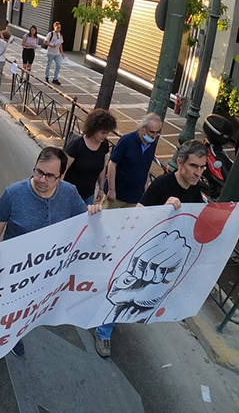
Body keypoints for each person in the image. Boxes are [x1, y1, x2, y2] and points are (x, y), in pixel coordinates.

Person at [92, 139, 212, 358]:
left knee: (138, 298)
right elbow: (139, 215)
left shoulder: (195, 190)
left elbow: (205, 218)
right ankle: (103, 333)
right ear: (180, 163)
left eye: (202, 167)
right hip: (144, 255)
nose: (198, 172)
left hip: (165, 259)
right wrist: (163, 209)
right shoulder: (163, 185)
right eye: (194, 166)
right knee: (126, 294)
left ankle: (108, 318)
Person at [0, 147, 101, 356]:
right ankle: (6, 336)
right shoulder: (13, 194)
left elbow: (84, 222)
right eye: (39, 171)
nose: (42, 179)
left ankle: (17, 329)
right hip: (15, 271)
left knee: (29, 309)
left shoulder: (70, 193)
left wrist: (93, 214)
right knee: (10, 309)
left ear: (61, 177)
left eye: (50, 175)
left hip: (48, 272)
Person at [105, 113, 162, 208]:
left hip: (135, 198)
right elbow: (112, 164)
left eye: (157, 132)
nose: (154, 136)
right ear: (143, 129)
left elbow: (147, 167)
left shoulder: (152, 144)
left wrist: (146, 188)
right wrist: (111, 189)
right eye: (152, 132)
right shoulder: (127, 141)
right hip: (117, 195)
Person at [63, 109, 117, 205]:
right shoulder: (76, 145)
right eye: (103, 133)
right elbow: (62, 170)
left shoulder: (104, 144)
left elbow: (102, 167)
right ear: (94, 129)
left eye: (108, 133)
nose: (106, 136)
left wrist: (101, 188)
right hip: (68, 196)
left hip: (88, 196)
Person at [0, 27, 12, 95]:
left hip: (0, 60)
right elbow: (1, 33)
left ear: (3, 36)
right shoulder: (5, 41)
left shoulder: (3, 42)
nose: (1, 35)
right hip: (0, 59)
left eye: (2, 35)